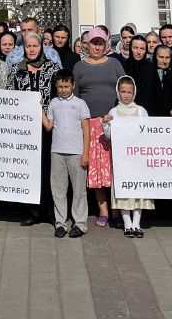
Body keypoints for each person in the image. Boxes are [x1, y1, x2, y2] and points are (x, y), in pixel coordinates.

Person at [6, 32, 60, 226]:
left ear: (41, 48)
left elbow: (58, 95)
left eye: (35, 46)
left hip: (48, 126)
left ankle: (51, 211)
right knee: (28, 168)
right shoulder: (16, 69)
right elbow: (9, 95)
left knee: (48, 168)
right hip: (24, 128)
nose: (31, 50)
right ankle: (32, 211)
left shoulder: (52, 69)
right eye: (28, 47)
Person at [73, 26, 124, 227]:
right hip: (90, 124)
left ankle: (117, 210)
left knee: (114, 168)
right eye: (93, 43)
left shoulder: (115, 64)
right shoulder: (80, 67)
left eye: (100, 43)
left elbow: (125, 89)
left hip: (113, 123)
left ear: (106, 44)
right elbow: (75, 97)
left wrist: (118, 114)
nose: (96, 47)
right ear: (88, 44)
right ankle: (103, 210)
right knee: (96, 169)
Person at [103, 76, 152, 236]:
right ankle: (127, 224)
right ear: (118, 92)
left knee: (139, 191)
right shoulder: (114, 112)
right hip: (121, 160)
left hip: (138, 159)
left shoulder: (141, 111)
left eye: (129, 92)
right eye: (123, 92)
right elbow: (109, 136)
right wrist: (106, 124)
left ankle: (137, 223)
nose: (126, 95)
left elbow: (148, 132)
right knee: (124, 191)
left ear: (134, 92)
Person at [44, 69, 90, 239]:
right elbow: (49, 126)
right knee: (58, 190)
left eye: (66, 86)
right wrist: (38, 109)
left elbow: (87, 129)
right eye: (60, 86)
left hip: (76, 152)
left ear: (73, 85)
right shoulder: (54, 103)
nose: (63, 89)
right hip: (57, 152)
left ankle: (80, 224)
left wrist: (86, 153)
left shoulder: (80, 104)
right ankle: (60, 223)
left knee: (78, 191)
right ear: (56, 86)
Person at [121, 35, 164, 117]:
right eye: (135, 48)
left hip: (150, 115)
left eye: (142, 49)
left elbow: (158, 94)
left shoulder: (151, 68)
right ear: (130, 48)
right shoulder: (124, 67)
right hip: (128, 114)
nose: (138, 52)